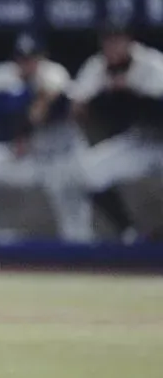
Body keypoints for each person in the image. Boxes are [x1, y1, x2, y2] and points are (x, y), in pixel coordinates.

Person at [0, 33, 91, 241]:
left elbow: (52, 92)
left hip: (65, 157)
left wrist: (32, 119)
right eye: (21, 58)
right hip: (33, 157)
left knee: (75, 226)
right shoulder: (10, 75)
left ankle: (83, 257)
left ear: (42, 57)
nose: (26, 64)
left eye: (32, 58)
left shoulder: (53, 72)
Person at [68, 23, 163, 242]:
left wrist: (130, 94)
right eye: (107, 41)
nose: (112, 46)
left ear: (129, 41)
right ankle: (129, 233)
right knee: (88, 171)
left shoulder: (153, 65)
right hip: (141, 141)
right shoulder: (97, 65)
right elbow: (77, 108)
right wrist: (104, 99)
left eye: (117, 40)